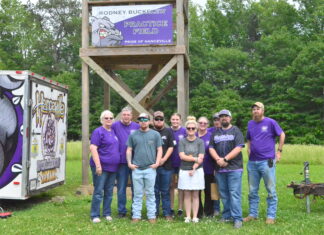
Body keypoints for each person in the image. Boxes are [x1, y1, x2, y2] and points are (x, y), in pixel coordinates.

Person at [244, 102, 285, 225]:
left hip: (267, 161)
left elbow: (282, 134)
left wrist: (279, 151)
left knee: (271, 189)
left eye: (258, 109)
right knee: (252, 190)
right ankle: (252, 214)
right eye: (253, 109)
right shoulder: (250, 123)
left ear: (263, 110)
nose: (255, 111)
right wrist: (248, 148)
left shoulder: (270, 122)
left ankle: (271, 216)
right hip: (252, 162)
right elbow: (249, 138)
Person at [209, 109, 245, 229]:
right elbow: (211, 148)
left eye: (226, 116)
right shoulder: (215, 133)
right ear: (219, 119)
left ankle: (237, 218)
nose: (224, 118)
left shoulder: (236, 131)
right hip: (220, 169)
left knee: (234, 193)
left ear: (230, 118)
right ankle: (226, 215)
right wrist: (218, 160)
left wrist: (225, 159)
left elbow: (239, 147)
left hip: (234, 168)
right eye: (221, 116)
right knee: (224, 194)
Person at [126, 113, 162, 224]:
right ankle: (136, 216)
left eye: (145, 119)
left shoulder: (155, 134)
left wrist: (157, 163)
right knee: (137, 194)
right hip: (137, 169)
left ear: (149, 121)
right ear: (138, 122)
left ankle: (151, 216)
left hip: (150, 169)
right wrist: (129, 163)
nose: (143, 121)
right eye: (141, 119)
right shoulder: (133, 135)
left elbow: (159, 149)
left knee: (151, 193)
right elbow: (129, 150)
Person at [89, 110, 120, 223]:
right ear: (102, 119)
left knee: (109, 191)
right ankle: (95, 215)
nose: (109, 120)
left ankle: (107, 213)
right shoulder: (98, 131)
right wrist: (98, 166)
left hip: (113, 168)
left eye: (111, 118)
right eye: (106, 118)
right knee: (98, 191)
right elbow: (93, 148)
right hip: (101, 167)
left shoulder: (113, 131)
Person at [112, 107, 140, 218]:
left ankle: (135, 210)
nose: (126, 116)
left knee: (136, 187)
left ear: (131, 116)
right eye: (124, 114)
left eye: (128, 115)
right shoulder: (115, 126)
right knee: (121, 187)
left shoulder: (136, 127)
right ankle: (121, 211)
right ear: (121, 115)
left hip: (135, 162)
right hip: (121, 162)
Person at [178, 116, 205, 223]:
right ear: (186, 129)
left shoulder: (200, 142)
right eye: (189, 128)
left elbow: (201, 158)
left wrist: (194, 168)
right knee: (187, 193)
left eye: (193, 128)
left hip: (197, 170)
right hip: (184, 170)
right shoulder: (182, 141)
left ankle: (195, 216)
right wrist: (194, 158)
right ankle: (188, 216)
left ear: (196, 129)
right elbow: (182, 156)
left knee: (195, 194)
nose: (191, 130)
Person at [152, 111, 174, 220]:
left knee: (165, 191)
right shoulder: (150, 132)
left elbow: (171, 147)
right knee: (154, 191)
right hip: (153, 166)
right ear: (153, 120)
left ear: (164, 121)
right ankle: (154, 212)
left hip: (166, 166)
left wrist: (164, 159)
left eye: (161, 119)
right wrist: (156, 161)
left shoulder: (168, 132)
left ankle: (167, 213)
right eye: (157, 119)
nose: (159, 121)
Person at [197, 116, 215, 218]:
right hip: (196, 169)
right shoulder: (193, 135)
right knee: (196, 192)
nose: (202, 124)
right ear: (197, 124)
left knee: (210, 192)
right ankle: (198, 213)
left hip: (209, 168)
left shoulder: (211, 136)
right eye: (200, 122)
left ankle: (209, 213)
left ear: (208, 125)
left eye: (205, 123)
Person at [169, 113, 186, 216]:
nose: (175, 121)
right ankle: (171, 207)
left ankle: (180, 208)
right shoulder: (168, 131)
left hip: (182, 163)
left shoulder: (184, 131)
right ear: (170, 120)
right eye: (173, 119)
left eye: (177, 119)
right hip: (170, 163)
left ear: (180, 120)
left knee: (181, 186)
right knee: (171, 186)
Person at [207, 112, 221, 216]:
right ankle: (216, 208)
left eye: (219, 119)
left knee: (225, 187)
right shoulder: (209, 131)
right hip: (212, 163)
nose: (217, 121)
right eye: (215, 120)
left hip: (225, 161)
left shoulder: (226, 130)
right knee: (214, 186)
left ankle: (228, 208)